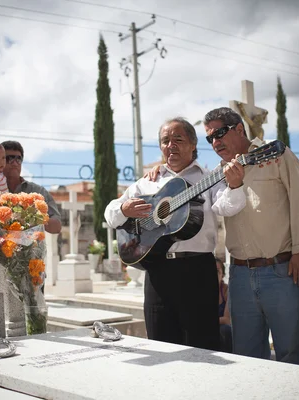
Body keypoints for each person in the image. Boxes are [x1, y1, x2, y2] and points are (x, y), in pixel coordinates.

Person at [104, 117, 246, 351]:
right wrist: (124, 208)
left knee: (203, 348)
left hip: (198, 271)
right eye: (165, 141)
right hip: (157, 272)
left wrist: (235, 185)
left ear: (193, 144)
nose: (171, 145)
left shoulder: (208, 177)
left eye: (178, 139)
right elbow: (110, 214)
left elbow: (227, 207)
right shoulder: (149, 182)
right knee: (160, 347)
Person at [203, 107, 299, 366]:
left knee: (292, 354)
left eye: (219, 134)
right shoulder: (219, 173)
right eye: (210, 138)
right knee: (247, 358)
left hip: (282, 270)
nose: (215, 142)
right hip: (240, 276)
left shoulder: (276, 155)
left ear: (240, 129)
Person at [1, 140, 62, 234]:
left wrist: (35, 219)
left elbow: (57, 226)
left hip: (31, 247)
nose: (15, 163)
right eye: (9, 158)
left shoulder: (37, 191)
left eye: (18, 159)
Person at [217, 257, 232, 353]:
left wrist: (206, 321)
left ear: (222, 275)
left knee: (225, 330)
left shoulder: (226, 290)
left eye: (217, 271)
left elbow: (227, 320)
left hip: (220, 327)